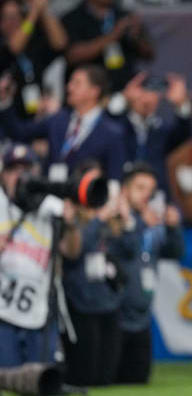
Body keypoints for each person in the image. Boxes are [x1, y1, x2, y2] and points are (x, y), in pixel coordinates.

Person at [0, 144, 82, 368]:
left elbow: (72, 252)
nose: (20, 176)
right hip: (3, 311)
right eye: (14, 169)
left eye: (27, 169)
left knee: (41, 380)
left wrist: (72, 223)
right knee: (7, 378)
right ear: (3, 174)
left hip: (40, 310)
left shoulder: (51, 206)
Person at [113, 162, 183, 384]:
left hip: (141, 318)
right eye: (140, 188)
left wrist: (173, 228)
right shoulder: (114, 220)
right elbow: (126, 247)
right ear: (125, 190)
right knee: (111, 380)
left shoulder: (151, 223)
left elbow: (175, 252)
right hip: (116, 317)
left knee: (139, 380)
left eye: (150, 190)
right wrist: (138, 224)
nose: (146, 195)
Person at [0, 64, 126, 180]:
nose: (69, 87)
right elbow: (19, 133)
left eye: (77, 83)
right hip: (49, 197)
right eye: (70, 82)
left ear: (94, 91)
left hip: (84, 200)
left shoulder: (112, 132)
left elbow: (114, 178)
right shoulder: (58, 120)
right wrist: (5, 101)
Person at [61, 161, 125, 386]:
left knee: (105, 378)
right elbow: (74, 253)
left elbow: (127, 252)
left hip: (108, 301)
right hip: (81, 302)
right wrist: (98, 219)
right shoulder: (71, 215)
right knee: (84, 376)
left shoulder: (112, 218)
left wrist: (128, 220)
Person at [109, 71, 192, 194]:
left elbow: (183, 134)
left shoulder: (162, 129)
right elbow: (105, 121)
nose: (147, 98)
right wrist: (124, 96)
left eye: (153, 92)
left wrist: (181, 104)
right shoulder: (118, 125)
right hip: (121, 189)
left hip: (155, 194)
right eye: (143, 91)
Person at [62, 0, 154, 92]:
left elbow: (149, 54)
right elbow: (72, 56)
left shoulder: (125, 16)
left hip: (124, 89)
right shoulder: (72, 18)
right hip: (89, 92)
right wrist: (113, 35)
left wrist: (137, 36)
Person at [0, 0, 67, 119]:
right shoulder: (4, 45)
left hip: (39, 115)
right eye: (6, 17)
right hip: (7, 120)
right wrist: (34, 12)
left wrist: (43, 9)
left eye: (15, 17)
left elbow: (60, 43)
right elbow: (14, 48)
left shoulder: (32, 43)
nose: (11, 22)